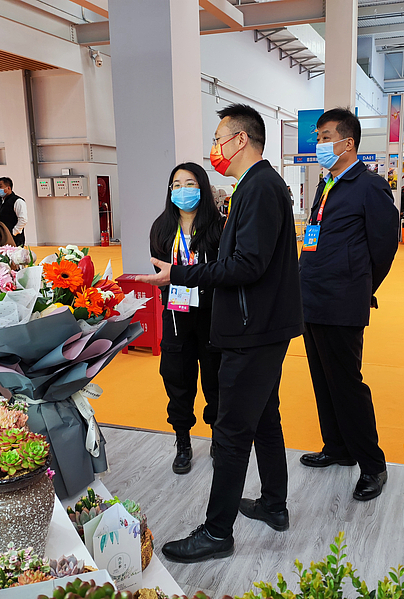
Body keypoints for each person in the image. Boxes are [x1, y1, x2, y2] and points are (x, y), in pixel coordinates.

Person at [136, 104, 303, 562]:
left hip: (253, 329)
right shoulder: (255, 186)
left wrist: (180, 274)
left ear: (240, 140)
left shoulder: (260, 187)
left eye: (218, 139)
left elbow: (247, 265)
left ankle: (216, 532)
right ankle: (274, 503)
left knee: (231, 431)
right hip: (260, 325)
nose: (214, 148)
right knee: (264, 417)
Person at [298, 108, 398, 502]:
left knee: (346, 385)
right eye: (318, 137)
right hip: (312, 297)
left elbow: (383, 247)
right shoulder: (327, 185)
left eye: (325, 137)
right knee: (323, 380)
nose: (319, 144)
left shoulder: (369, 186)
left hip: (342, 300)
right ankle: (337, 447)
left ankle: (373, 465)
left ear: (347, 142)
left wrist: (359, 284)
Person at [149, 162, 224, 475]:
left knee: (216, 380)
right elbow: (160, 274)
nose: (183, 190)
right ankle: (183, 441)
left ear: (202, 187)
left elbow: (224, 271)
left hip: (212, 317)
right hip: (177, 317)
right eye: (177, 185)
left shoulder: (219, 227)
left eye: (190, 183)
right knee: (177, 379)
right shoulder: (161, 228)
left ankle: (219, 438)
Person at [0, 177, 28, 246]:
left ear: (8, 188)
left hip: (14, 238)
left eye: (0, 186)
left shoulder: (18, 201)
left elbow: (23, 220)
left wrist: (13, 232)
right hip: (1, 236)